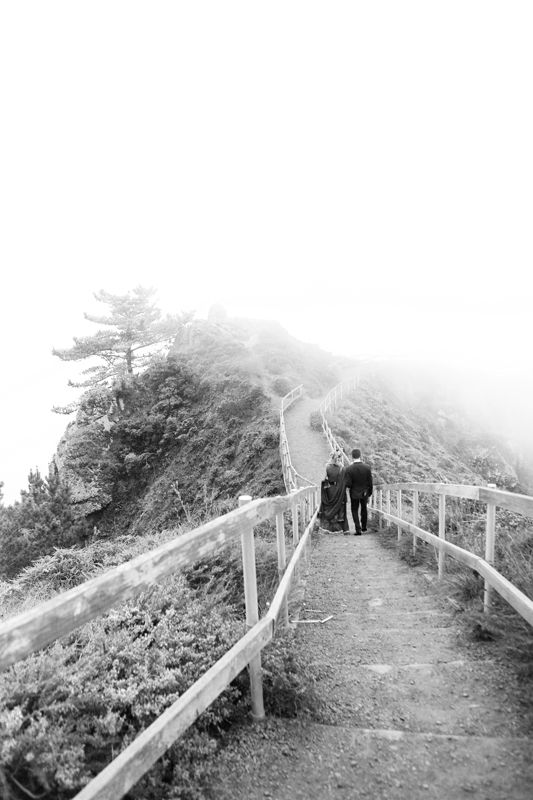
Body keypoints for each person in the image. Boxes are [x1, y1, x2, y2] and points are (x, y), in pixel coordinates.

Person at [317, 452, 349, 533]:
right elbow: (345, 480)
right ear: (338, 458)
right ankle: (340, 528)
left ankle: (328, 528)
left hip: (330, 489)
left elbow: (323, 479)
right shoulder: (342, 468)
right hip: (339, 489)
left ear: (331, 457)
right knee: (338, 506)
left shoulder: (327, 466)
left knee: (329, 506)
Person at [344, 448, 373, 535]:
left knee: (354, 510)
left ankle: (358, 529)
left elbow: (348, 484)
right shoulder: (367, 467)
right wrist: (369, 492)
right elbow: (370, 482)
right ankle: (364, 527)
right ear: (360, 455)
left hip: (354, 492)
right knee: (364, 509)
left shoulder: (349, 469)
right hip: (364, 492)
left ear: (352, 456)